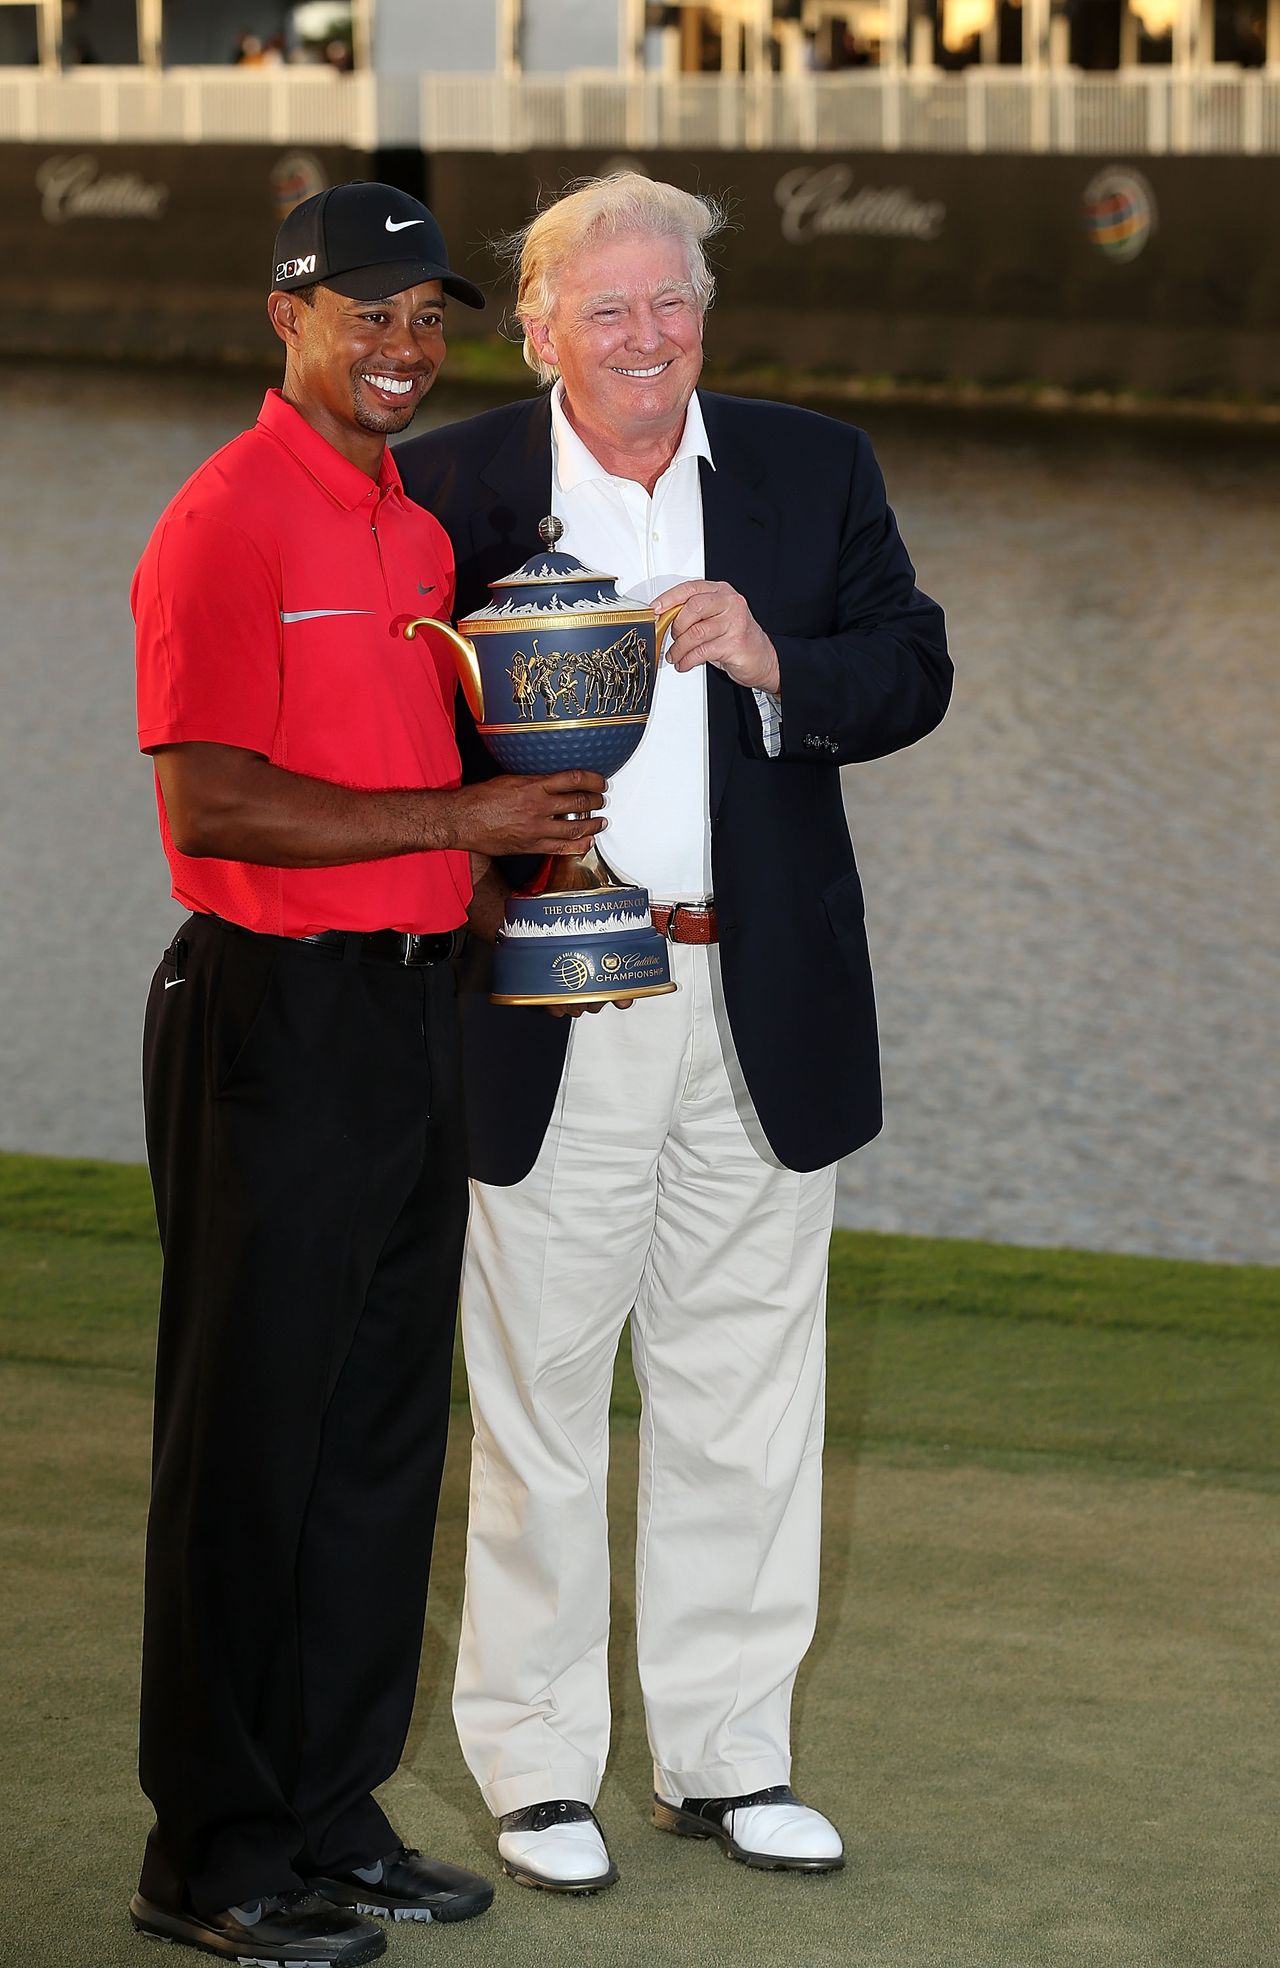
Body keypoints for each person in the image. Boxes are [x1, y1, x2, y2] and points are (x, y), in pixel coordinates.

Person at [396, 173, 951, 1894]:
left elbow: (914, 671)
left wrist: (778, 659)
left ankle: (727, 1762)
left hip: (758, 994)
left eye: (675, 303)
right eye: (608, 309)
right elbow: (395, 735)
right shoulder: (448, 487)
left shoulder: (811, 467)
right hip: (547, 997)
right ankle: (540, 1772)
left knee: (747, 1395)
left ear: (707, 313)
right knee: (543, 1396)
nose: (648, 338)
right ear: (543, 327)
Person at [128, 181, 605, 1964]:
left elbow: (400, 788)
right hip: (268, 1017)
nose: (407, 349)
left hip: (413, 1013)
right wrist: (461, 813)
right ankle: (213, 1855)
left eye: (432, 321)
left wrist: (507, 864)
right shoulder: (224, 519)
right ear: (288, 316)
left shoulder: (409, 529)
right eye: (371, 315)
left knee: (377, 1441)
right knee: (249, 1445)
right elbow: (215, 803)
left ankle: (330, 1813)